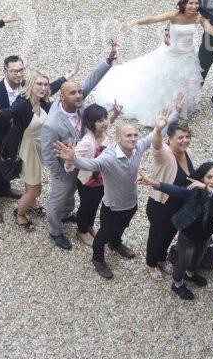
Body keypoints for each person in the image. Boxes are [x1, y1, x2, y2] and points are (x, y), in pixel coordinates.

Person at [55, 107, 176, 279]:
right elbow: (91, 165)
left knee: (121, 227)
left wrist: (173, 115)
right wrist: (73, 159)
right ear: (118, 138)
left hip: (131, 204)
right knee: (103, 234)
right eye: (128, 135)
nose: (133, 139)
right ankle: (97, 258)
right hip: (112, 207)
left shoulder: (138, 148)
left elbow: (156, 132)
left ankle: (116, 243)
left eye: (135, 135)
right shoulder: (109, 157)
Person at [90, 0, 213, 126]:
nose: (194, 6)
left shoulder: (198, 17)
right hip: (171, 55)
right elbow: (153, 19)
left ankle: (178, 109)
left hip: (187, 56)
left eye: (196, 3)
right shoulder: (175, 15)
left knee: (182, 83)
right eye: (190, 3)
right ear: (184, 3)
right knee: (163, 84)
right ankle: (162, 111)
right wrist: (134, 22)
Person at [40, 42, 117, 250]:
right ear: (62, 97)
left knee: (73, 194)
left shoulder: (79, 104)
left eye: (80, 92)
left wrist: (107, 62)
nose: (79, 95)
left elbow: (90, 81)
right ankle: (55, 230)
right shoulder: (52, 123)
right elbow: (47, 154)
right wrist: (60, 174)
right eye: (73, 93)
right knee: (58, 198)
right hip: (63, 169)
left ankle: (67, 214)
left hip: (80, 162)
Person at [0, 68, 73, 230]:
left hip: (38, 148)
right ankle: (19, 212)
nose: (43, 87)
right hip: (26, 150)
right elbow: (8, 113)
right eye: (39, 84)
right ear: (31, 85)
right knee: (36, 189)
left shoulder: (43, 101)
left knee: (31, 182)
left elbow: (55, 86)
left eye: (45, 84)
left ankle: (32, 203)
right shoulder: (23, 103)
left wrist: (68, 75)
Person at [139, 161, 213, 300]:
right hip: (188, 236)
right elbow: (175, 190)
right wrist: (155, 184)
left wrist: (207, 188)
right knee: (183, 261)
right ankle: (177, 283)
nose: (212, 181)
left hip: (205, 235)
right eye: (209, 177)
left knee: (198, 257)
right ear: (201, 178)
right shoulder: (193, 190)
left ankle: (190, 273)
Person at [143, 97, 189, 281]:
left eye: (187, 137)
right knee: (156, 235)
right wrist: (158, 129)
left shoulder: (187, 153)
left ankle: (162, 258)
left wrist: (177, 112)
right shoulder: (164, 154)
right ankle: (151, 263)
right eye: (180, 138)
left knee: (170, 233)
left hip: (178, 205)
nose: (185, 140)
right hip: (160, 205)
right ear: (170, 140)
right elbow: (156, 145)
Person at [71, 103, 122, 245]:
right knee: (86, 205)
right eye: (100, 120)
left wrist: (115, 114)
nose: (105, 122)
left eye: (105, 118)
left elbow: (108, 124)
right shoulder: (87, 141)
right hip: (88, 181)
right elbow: (72, 157)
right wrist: (69, 160)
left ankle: (89, 225)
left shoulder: (103, 132)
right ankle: (81, 230)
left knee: (96, 204)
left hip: (102, 180)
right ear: (91, 123)